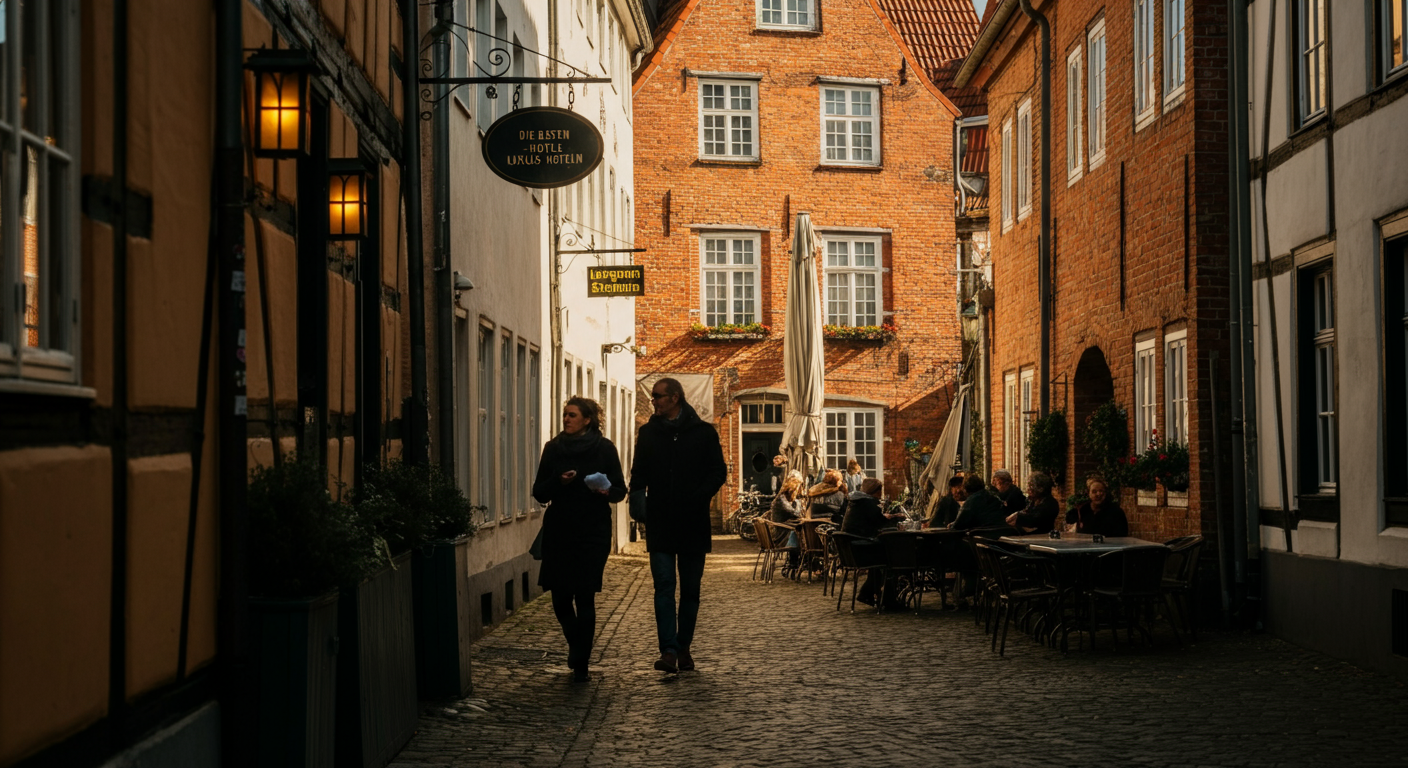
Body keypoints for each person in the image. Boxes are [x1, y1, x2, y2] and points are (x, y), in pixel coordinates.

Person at [630, 377, 727, 674]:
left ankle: (683, 647)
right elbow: (638, 473)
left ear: (675, 398)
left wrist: (699, 496)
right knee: (663, 586)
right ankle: (669, 650)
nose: (653, 401)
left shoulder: (703, 433)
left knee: (690, 590)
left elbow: (718, 471)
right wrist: (639, 504)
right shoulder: (648, 433)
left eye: (658, 396)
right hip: (660, 520)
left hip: (692, 521)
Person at [532, 396, 627, 682]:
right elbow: (539, 491)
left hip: (593, 530)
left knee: (585, 595)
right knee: (560, 597)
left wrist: (605, 491)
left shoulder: (604, 448)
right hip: (560, 529)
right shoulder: (554, 448)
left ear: (587, 419)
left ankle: (581, 661)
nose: (566, 419)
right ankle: (577, 644)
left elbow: (620, 490)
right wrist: (558, 482)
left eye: (572, 415)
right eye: (565, 414)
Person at [840, 478, 906, 609]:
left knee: (882, 558)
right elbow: (880, 522)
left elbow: (871, 519)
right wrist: (894, 519)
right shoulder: (868, 503)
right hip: (862, 548)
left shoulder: (856, 502)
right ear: (876, 491)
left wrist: (886, 516)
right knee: (891, 559)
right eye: (880, 490)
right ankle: (888, 599)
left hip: (851, 549)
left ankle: (868, 593)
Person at [770, 476, 804, 572]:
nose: (800, 491)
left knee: (801, 532)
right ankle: (796, 562)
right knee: (799, 533)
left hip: (784, 530)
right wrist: (798, 502)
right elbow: (795, 513)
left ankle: (799, 561)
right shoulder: (782, 499)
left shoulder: (785, 498)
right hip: (780, 535)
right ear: (793, 489)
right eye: (798, 488)